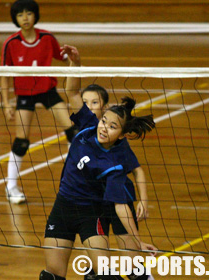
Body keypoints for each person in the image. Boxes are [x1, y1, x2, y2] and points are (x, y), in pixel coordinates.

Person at [40, 46, 157, 280]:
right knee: (52, 275)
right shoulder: (87, 125)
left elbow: (121, 206)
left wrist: (136, 243)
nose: (104, 128)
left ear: (122, 135)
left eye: (113, 127)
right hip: (62, 208)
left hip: (90, 214)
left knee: (103, 275)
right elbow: (72, 92)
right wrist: (76, 63)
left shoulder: (114, 163)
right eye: (105, 121)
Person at [1, 0, 78, 204]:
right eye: (20, 15)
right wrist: (6, 103)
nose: (25, 18)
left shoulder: (47, 38)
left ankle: (75, 179)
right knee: (22, 140)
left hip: (47, 91)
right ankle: (11, 186)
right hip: (24, 94)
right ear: (15, 19)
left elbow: (61, 57)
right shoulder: (11, 43)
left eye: (28, 13)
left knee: (73, 131)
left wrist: (72, 57)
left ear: (35, 15)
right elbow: (4, 75)